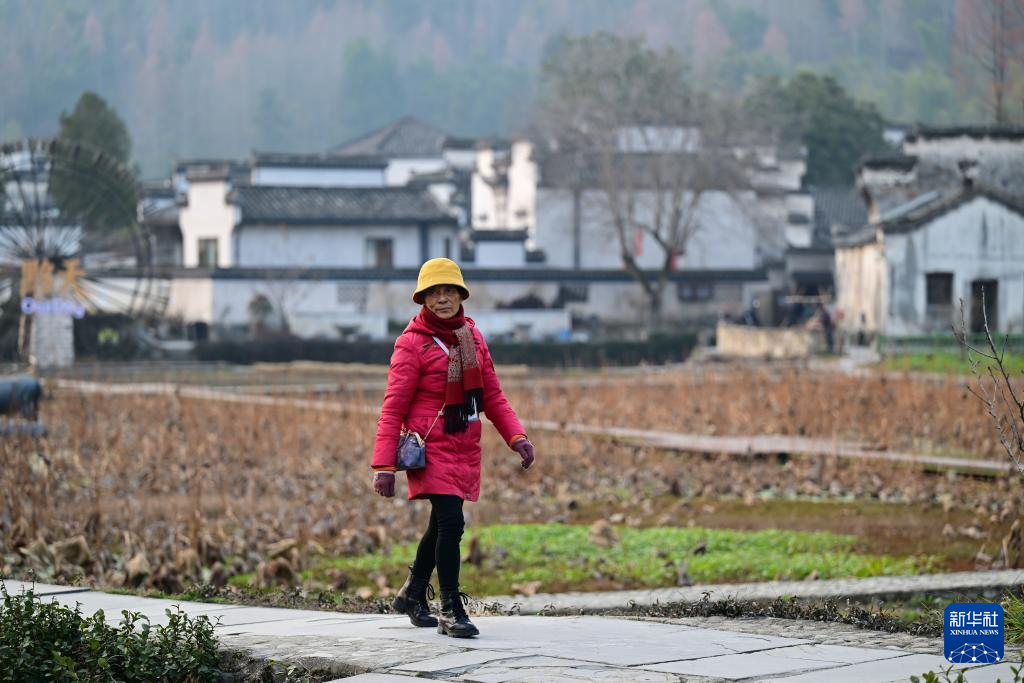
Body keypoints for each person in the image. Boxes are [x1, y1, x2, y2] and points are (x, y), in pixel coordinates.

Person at [370, 258, 536, 638]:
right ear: (423, 299)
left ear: (461, 295)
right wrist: (384, 466)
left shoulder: (472, 337)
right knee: (452, 523)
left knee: (440, 524)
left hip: (464, 443)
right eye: (434, 293)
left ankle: (412, 593)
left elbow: (492, 396)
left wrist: (518, 437)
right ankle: (450, 608)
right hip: (430, 447)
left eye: (449, 291)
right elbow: (392, 408)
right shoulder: (411, 343)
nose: (442, 299)